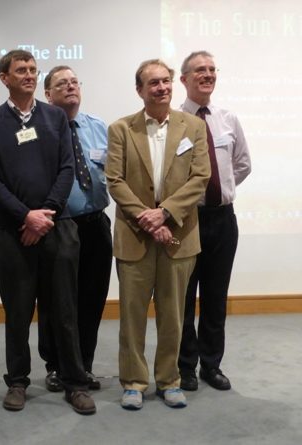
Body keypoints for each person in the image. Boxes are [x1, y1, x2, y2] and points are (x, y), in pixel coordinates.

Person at [0, 49, 95, 415]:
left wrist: (45, 215)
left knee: (64, 309)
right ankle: (17, 382)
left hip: (57, 228)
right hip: (13, 233)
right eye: (20, 70)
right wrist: (25, 217)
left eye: (32, 69)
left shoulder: (54, 118)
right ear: (4, 78)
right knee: (17, 310)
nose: (28, 75)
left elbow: (66, 169)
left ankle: (75, 382)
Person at [105, 59, 210, 410]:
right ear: (140, 90)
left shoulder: (193, 126)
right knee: (132, 316)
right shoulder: (121, 129)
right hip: (134, 236)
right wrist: (147, 218)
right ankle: (134, 382)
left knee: (173, 315)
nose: (162, 88)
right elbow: (115, 181)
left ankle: (169, 380)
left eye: (166, 81)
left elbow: (200, 178)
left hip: (179, 235)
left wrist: (165, 213)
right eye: (153, 83)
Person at [177, 51, 251, 392]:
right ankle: (186, 366)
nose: (207, 75)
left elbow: (242, 164)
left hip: (223, 220)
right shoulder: (174, 122)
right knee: (184, 297)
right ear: (184, 80)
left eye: (211, 70)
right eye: (199, 71)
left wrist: (221, 191)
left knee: (216, 296)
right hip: (187, 221)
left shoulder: (227, 118)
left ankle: (211, 364)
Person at [38, 65, 112, 393]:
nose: (70, 87)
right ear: (47, 94)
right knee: (57, 300)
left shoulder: (98, 128)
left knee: (92, 298)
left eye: (74, 82)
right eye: (61, 84)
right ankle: (55, 366)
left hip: (96, 224)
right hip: (59, 226)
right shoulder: (40, 131)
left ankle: (84, 364)